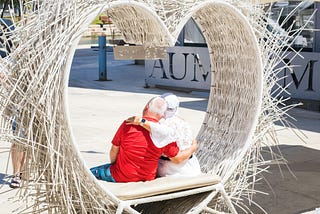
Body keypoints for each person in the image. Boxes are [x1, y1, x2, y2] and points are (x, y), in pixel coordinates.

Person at [90, 96, 197, 182]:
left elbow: (114, 150)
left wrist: (113, 164)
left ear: (146, 107)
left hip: (120, 176)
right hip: (147, 178)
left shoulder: (128, 124)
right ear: (162, 115)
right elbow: (178, 159)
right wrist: (193, 147)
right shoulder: (164, 133)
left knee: (90, 172)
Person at [126, 93, 201, 177]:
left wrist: (141, 121)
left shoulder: (162, 125)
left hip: (171, 172)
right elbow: (192, 142)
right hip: (193, 168)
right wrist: (193, 148)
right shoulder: (184, 122)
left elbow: (177, 159)